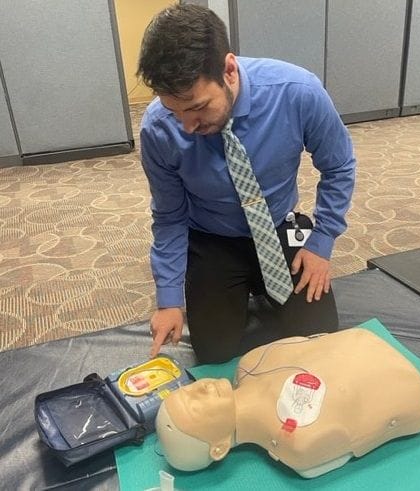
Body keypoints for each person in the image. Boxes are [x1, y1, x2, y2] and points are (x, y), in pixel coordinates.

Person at [137, 4, 356, 363]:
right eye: (175, 111)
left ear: (229, 69)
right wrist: (169, 299)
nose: (187, 125)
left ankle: (269, 285)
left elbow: (339, 165)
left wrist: (321, 242)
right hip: (212, 235)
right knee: (213, 351)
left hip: (279, 225)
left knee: (321, 336)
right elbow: (170, 216)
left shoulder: (297, 92)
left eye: (197, 107)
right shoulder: (158, 129)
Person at [155, 328, 420, 478]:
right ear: (219, 448)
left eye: (187, 392)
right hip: (402, 380)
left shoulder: (251, 363)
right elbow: (377, 421)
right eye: (195, 407)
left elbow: (312, 340)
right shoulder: (299, 441)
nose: (200, 388)